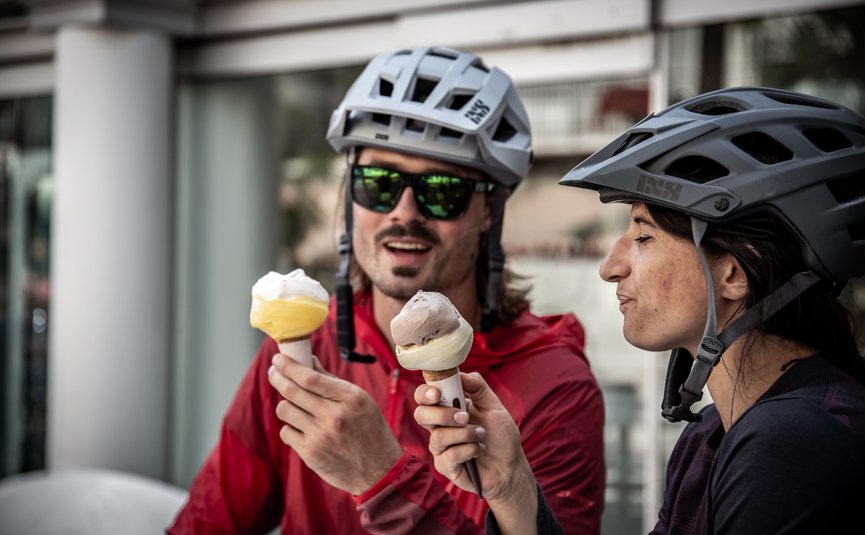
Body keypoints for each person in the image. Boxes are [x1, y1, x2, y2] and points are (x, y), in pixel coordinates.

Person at [168, 46, 605, 534]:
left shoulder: (554, 386)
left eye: (442, 190)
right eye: (377, 182)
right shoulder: (310, 351)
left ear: (489, 212)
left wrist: (383, 479)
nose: (404, 211)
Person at [413, 86, 865, 534]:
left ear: (735, 273)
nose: (610, 268)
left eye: (643, 237)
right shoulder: (711, 434)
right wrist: (510, 485)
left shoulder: (790, 443)